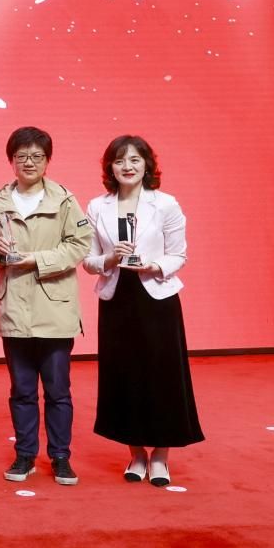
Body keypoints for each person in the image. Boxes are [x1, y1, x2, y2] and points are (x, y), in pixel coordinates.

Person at [82, 135, 203, 486]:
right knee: (124, 375)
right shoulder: (97, 206)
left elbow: (178, 254)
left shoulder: (165, 204)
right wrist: (110, 258)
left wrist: (154, 266)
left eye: (135, 160)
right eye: (120, 160)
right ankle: (135, 455)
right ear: (110, 167)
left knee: (163, 376)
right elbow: (88, 260)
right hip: (117, 300)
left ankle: (161, 456)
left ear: (147, 164)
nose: (128, 166)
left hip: (157, 299)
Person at [0, 126, 92, 487]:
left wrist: (37, 260)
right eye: (22, 156)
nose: (29, 162)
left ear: (47, 160)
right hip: (14, 307)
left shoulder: (64, 200)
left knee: (58, 391)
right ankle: (25, 455)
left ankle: (60, 457)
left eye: (37, 156)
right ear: (11, 160)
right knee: (22, 391)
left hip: (54, 308)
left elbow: (80, 244)